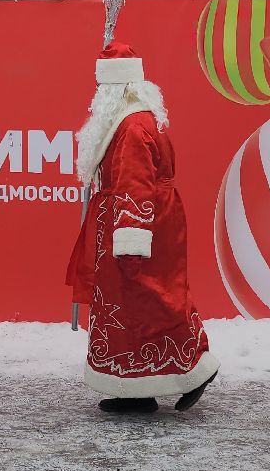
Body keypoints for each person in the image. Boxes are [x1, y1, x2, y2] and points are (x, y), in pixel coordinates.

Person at [66, 41, 217, 414]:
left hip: (137, 223)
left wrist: (129, 242)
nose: (97, 97)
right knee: (147, 301)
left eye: (102, 89)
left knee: (150, 299)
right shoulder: (139, 118)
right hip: (151, 220)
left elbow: (134, 185)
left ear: (114, 90)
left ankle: (193, 368)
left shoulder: (132, 126)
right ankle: (136, 387)